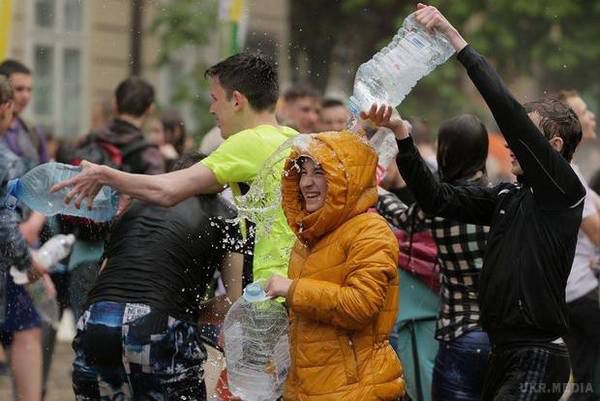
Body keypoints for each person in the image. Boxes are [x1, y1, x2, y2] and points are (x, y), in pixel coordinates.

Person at [363, 4, 586, 400]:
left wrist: (455, 40)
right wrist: (402, 134)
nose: (510, 146)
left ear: (551, 147)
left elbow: (507, 110)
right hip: (502, 351)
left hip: (537, 355)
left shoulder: (563, 193)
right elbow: (435, 199)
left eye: (522, 140)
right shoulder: (507, 196)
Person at [52, 52, 298, 286]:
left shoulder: (248, 142)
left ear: (236, 100)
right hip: (291, 280)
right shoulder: (291, 138)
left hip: (270, 291)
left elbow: (167, 191)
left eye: (214, 99)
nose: (211, 110)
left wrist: (103, 174)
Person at [71, 152, 244, 401]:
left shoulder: (136, 205)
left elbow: (104, 274)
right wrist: (195, 312)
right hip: (158, 324)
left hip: (97, 320)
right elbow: (232, 303)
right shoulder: (226, 214)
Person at [265, 131, 404, 400]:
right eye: (303, 172)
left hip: (358, 389)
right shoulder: (309, 237)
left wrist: (293, 289)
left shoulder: (370, 231)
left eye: (319, 172)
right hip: (308, 389)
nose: (306, 183)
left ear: (345, 179)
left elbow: (360, 305)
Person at [377, 114, 491, 401]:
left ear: (445, 152)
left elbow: (403, 217)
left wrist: (374, 189)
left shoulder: (443, 203)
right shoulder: (500, 199)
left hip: (459, 331)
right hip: (500, 334)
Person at [66, 77, 165, 320]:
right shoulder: (149, 155)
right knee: (117, 340)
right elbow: (157, 211)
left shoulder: (87, 141)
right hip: (126, 261)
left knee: (84, 336)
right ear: (149, 108)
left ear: (115, 104)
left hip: (82, 256)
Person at [0, 75, 47, 401]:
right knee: (27, 332)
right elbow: (4, 222)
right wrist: (28, 262)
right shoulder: (6, 159)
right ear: (6, 108)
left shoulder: (28, 138)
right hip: (7, 267)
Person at [558, 89, 600, 401]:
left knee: (583, 374)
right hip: (581, 290)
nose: (591, 117)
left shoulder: (570, 168)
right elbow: (597, 233)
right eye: (583, 112)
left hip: (572, 290)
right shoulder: (569, 173)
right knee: (585, 378)